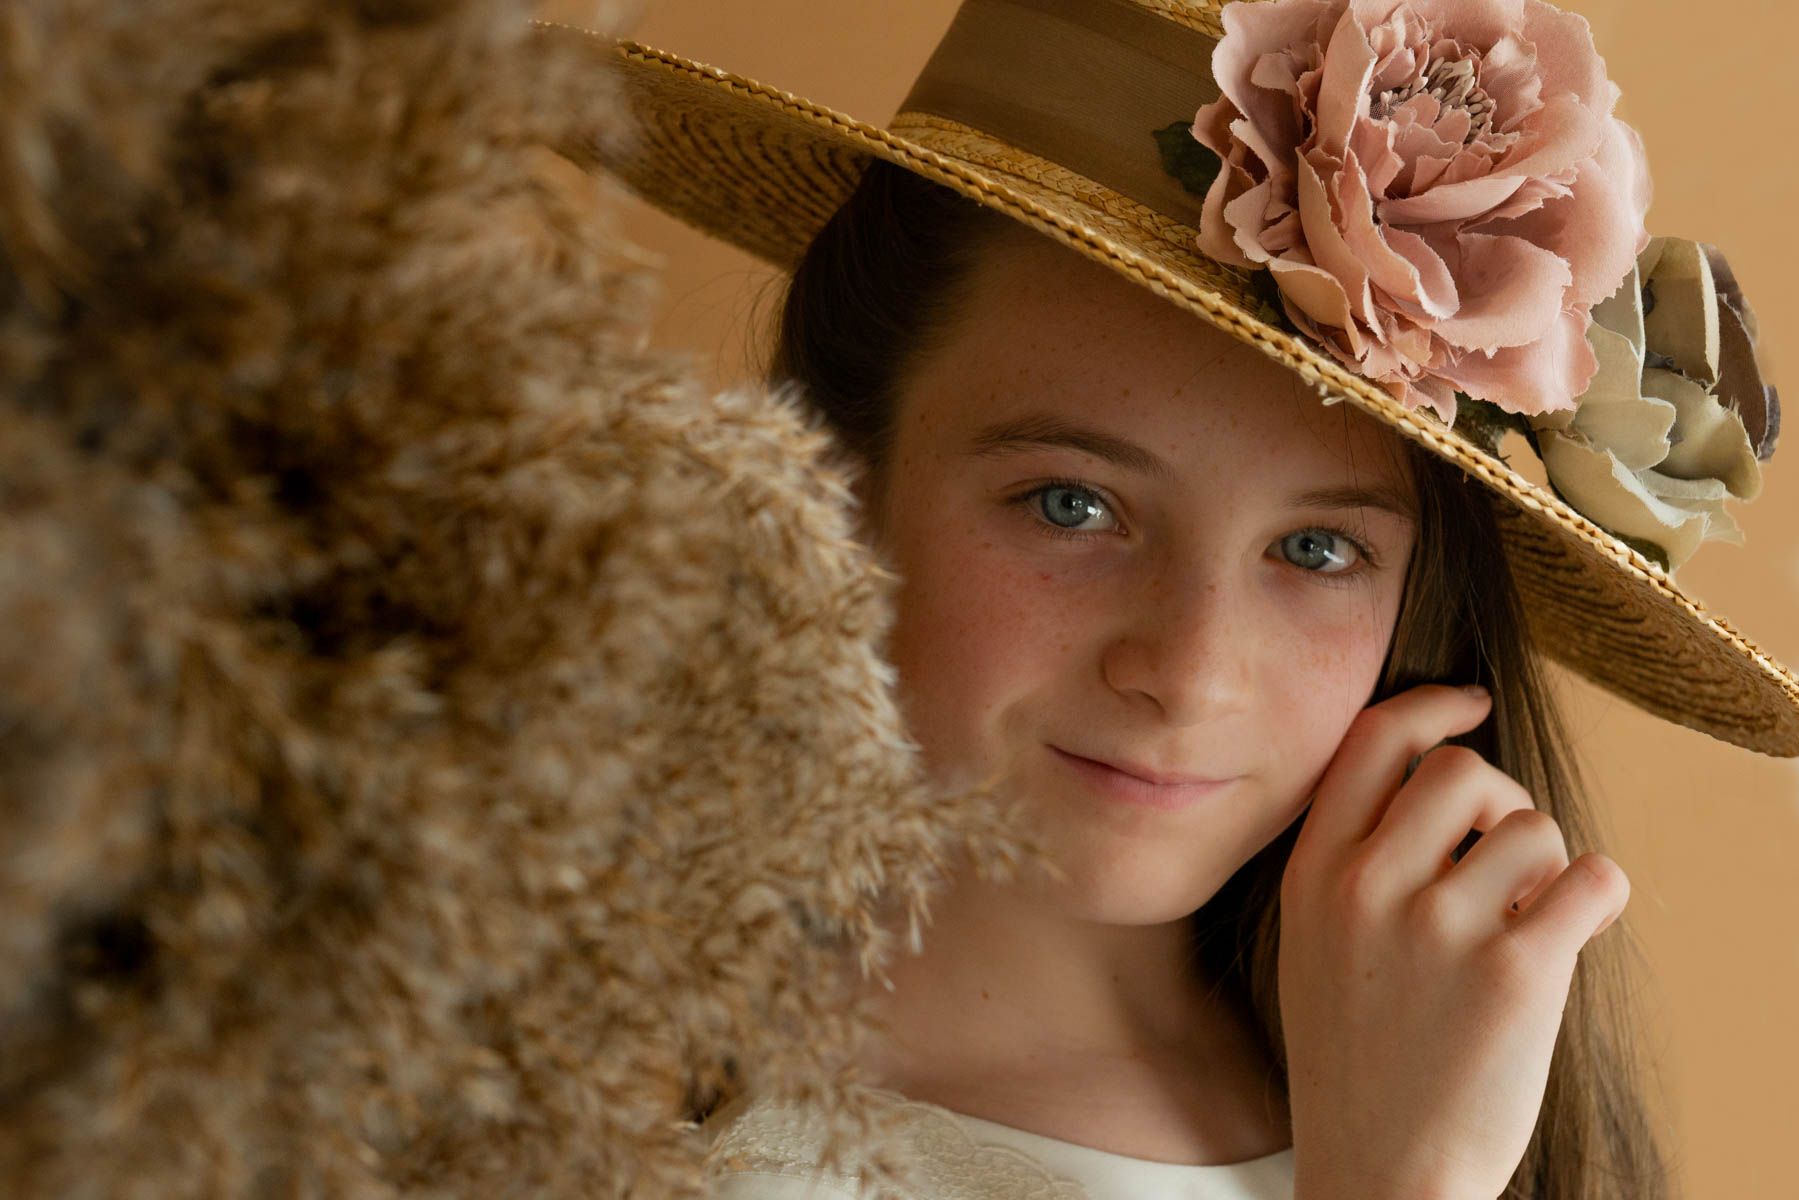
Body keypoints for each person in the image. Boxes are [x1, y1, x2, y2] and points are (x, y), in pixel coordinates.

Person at [540, 0, 1792, 1196]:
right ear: (833, 493)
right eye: (1070, 505)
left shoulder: (1452, 1063)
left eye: (1313, 552)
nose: (1189, 671)